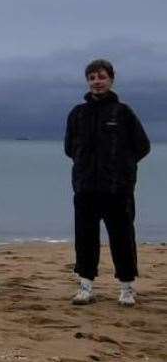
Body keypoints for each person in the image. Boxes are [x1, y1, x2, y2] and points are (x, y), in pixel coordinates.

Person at [64, 58, 151, 307]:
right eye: (92, 78)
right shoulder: (77, 113)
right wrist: (83, 167)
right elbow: (69, 148)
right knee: (85, 238)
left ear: (111, 79)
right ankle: (85, 286)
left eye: (101, 77)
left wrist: (122, 169)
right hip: (84, 188)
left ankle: (126, 288)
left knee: (122, 238)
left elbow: (142, 146)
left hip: (117, 190)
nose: (97, 82)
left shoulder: (123, 112)